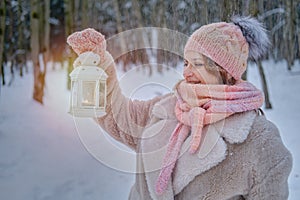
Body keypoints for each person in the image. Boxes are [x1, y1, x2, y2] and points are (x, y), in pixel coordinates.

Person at [67, 16, 292, 200]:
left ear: (224, 71)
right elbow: (120, 118)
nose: (186, 72)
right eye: (186, 62)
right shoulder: (166, 109)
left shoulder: (260, 139)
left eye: (198, 64)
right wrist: (99, 64)